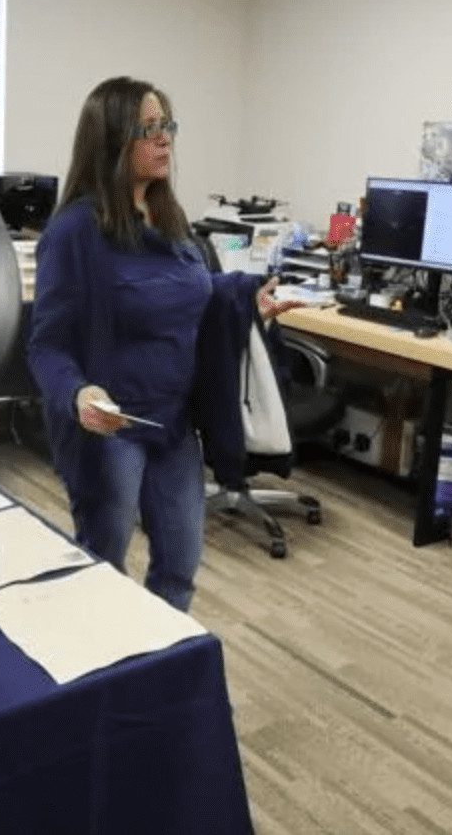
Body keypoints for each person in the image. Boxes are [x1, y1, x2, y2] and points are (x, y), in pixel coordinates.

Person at [27, 76, 302, 611]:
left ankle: (165, 662)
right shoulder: (75, 233)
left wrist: (247, 301)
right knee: (103, 572)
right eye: (147, 129)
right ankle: (107, 660)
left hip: (174, 424)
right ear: (111, 140)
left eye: (167, 125)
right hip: (113, 430)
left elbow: (191, 293)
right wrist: (79, 394)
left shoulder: (171, 220)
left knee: (179, 569)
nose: (164, 139)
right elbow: (46, 345)